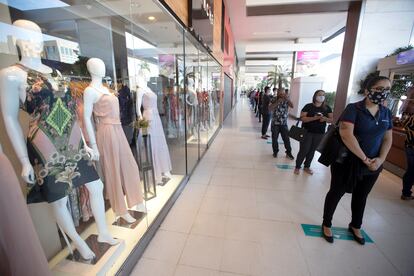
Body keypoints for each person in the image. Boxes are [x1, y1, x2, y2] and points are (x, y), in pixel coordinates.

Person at [321, 75, 393, 245]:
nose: (384, 93)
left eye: (387, 90)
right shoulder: (353, 109)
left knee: (362, 195)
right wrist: (365, 158)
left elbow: (387, 139)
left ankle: (355, 225)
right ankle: (326, 223)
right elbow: (347, 134)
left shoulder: (386, 112)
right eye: (380, 89)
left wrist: (380, 159)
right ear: (368, 90)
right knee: (336, 191)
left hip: (373, 164)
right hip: (347, 161)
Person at [294, 90, 333, 175]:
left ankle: (307, 166)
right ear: (315, 96)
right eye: (319, 95)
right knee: (304, 150)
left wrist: (325, 119)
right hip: (307, 132)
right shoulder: (308, 106)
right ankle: (297, 166)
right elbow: (303, 118)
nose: (321, 97)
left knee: (312, 150)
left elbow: (332, 120)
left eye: (323, 95)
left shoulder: (327, 108)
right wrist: (314, 118)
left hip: (319, 133)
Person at [269, 88, 294, 159]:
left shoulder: (286, 99)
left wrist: (288, 99)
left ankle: (288, 152)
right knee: (274, 139)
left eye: (283, 93)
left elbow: (292, 106)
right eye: (280, 93)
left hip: (284, 123)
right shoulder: (273, 99)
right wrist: (277, 102)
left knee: (286, 139)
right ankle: (275, 152)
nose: (281, 94)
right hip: (275, 123)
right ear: (277, 93)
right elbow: (269, 108)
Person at [401, 87, 414, 200]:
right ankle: (406, 192)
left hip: (409, 145)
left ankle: (406, 192)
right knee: (411, 170)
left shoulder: (410, 115)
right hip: (411, 146)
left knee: (411, 170)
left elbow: (404, 123)